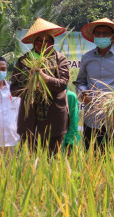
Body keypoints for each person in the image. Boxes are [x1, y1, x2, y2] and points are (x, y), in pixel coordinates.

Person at [75, 18, 114, 150]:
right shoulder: (87, 57)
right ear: (94, 36)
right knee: (92, 155)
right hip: (92, 116)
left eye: (105, 33)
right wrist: (83, 93)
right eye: (98, 33)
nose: (101, 36)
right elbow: (80, 82)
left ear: (112, 36)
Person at [11, 18, 69, 153]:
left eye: (47, 41)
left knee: (52, 158)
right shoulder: (24, 60)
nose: (42, 44)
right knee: (28, 159)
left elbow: (62, 84)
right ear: (33, 43)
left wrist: (45, 78)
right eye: (39, 41)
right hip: (29, 119)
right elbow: (14, 89)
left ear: (52, 43)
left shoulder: (60, 59)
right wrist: (29, 86)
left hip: (53, 118)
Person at [0, 56, 20, 153]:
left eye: (3, 69)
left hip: (12, 144)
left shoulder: (15, 91)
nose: (0, 72)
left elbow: (19, 117)